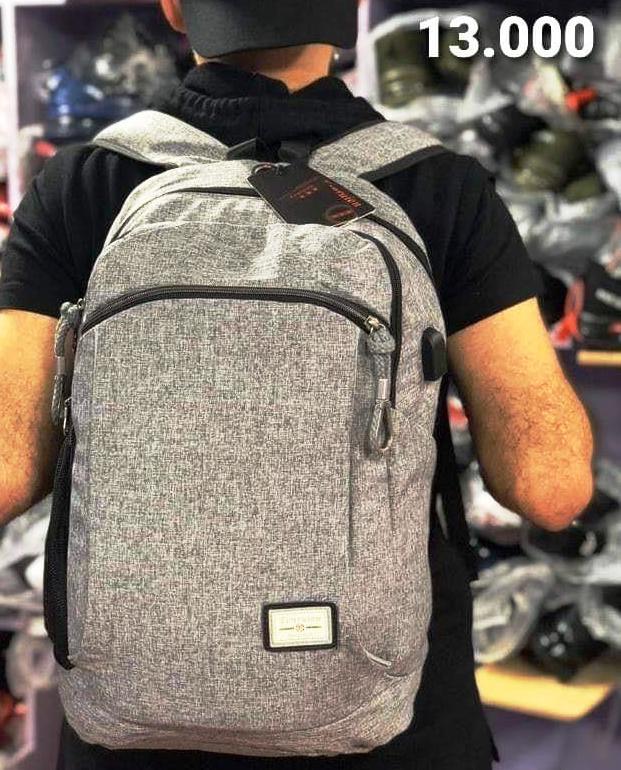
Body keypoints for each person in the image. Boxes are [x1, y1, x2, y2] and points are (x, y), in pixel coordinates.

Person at [0, 1, 594, 769]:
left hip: (135, 717)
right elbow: (548, 487)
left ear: (175, 9)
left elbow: (8, 471)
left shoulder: (82, 183)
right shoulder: (441, 187)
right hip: (386, 718)